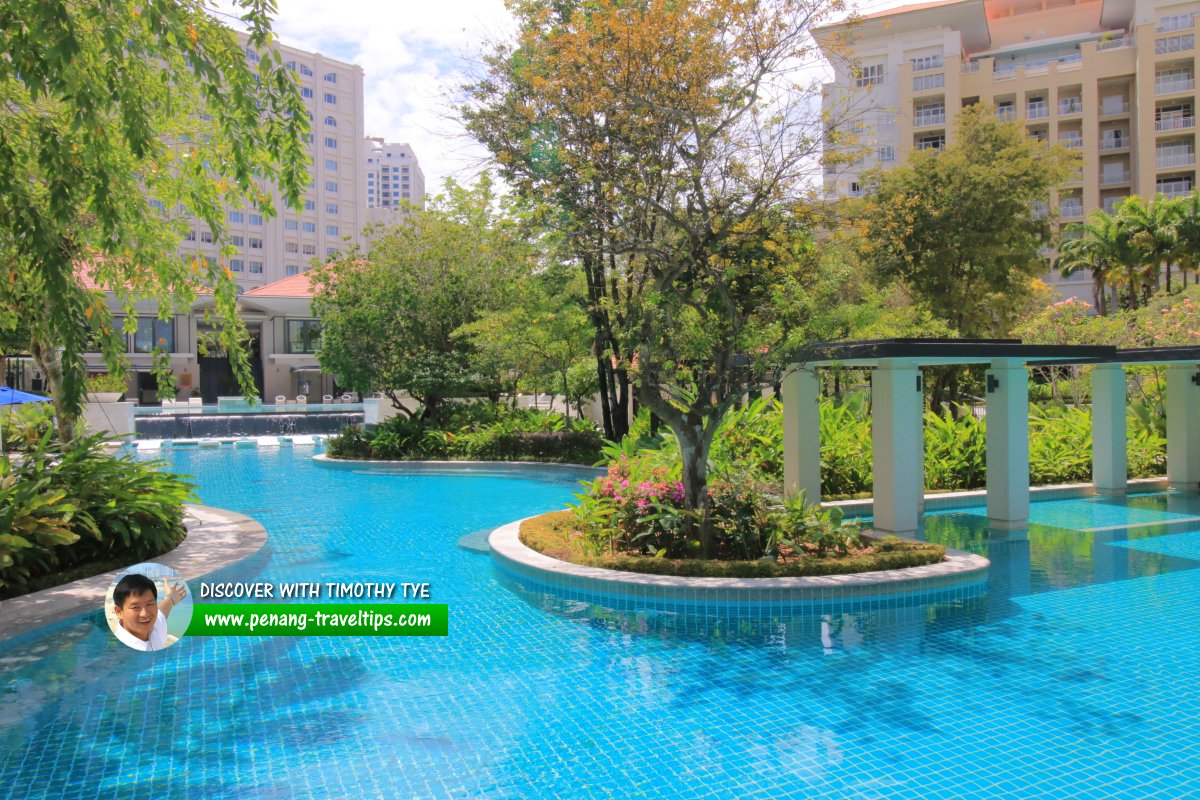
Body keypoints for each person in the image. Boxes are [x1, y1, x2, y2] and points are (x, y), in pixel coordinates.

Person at [111, 572, 187, 651]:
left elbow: (162, 611)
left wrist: (171, 598)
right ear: (119, 612)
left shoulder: (154, 626)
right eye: (136, 607)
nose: (145, 614)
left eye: (149, 604)